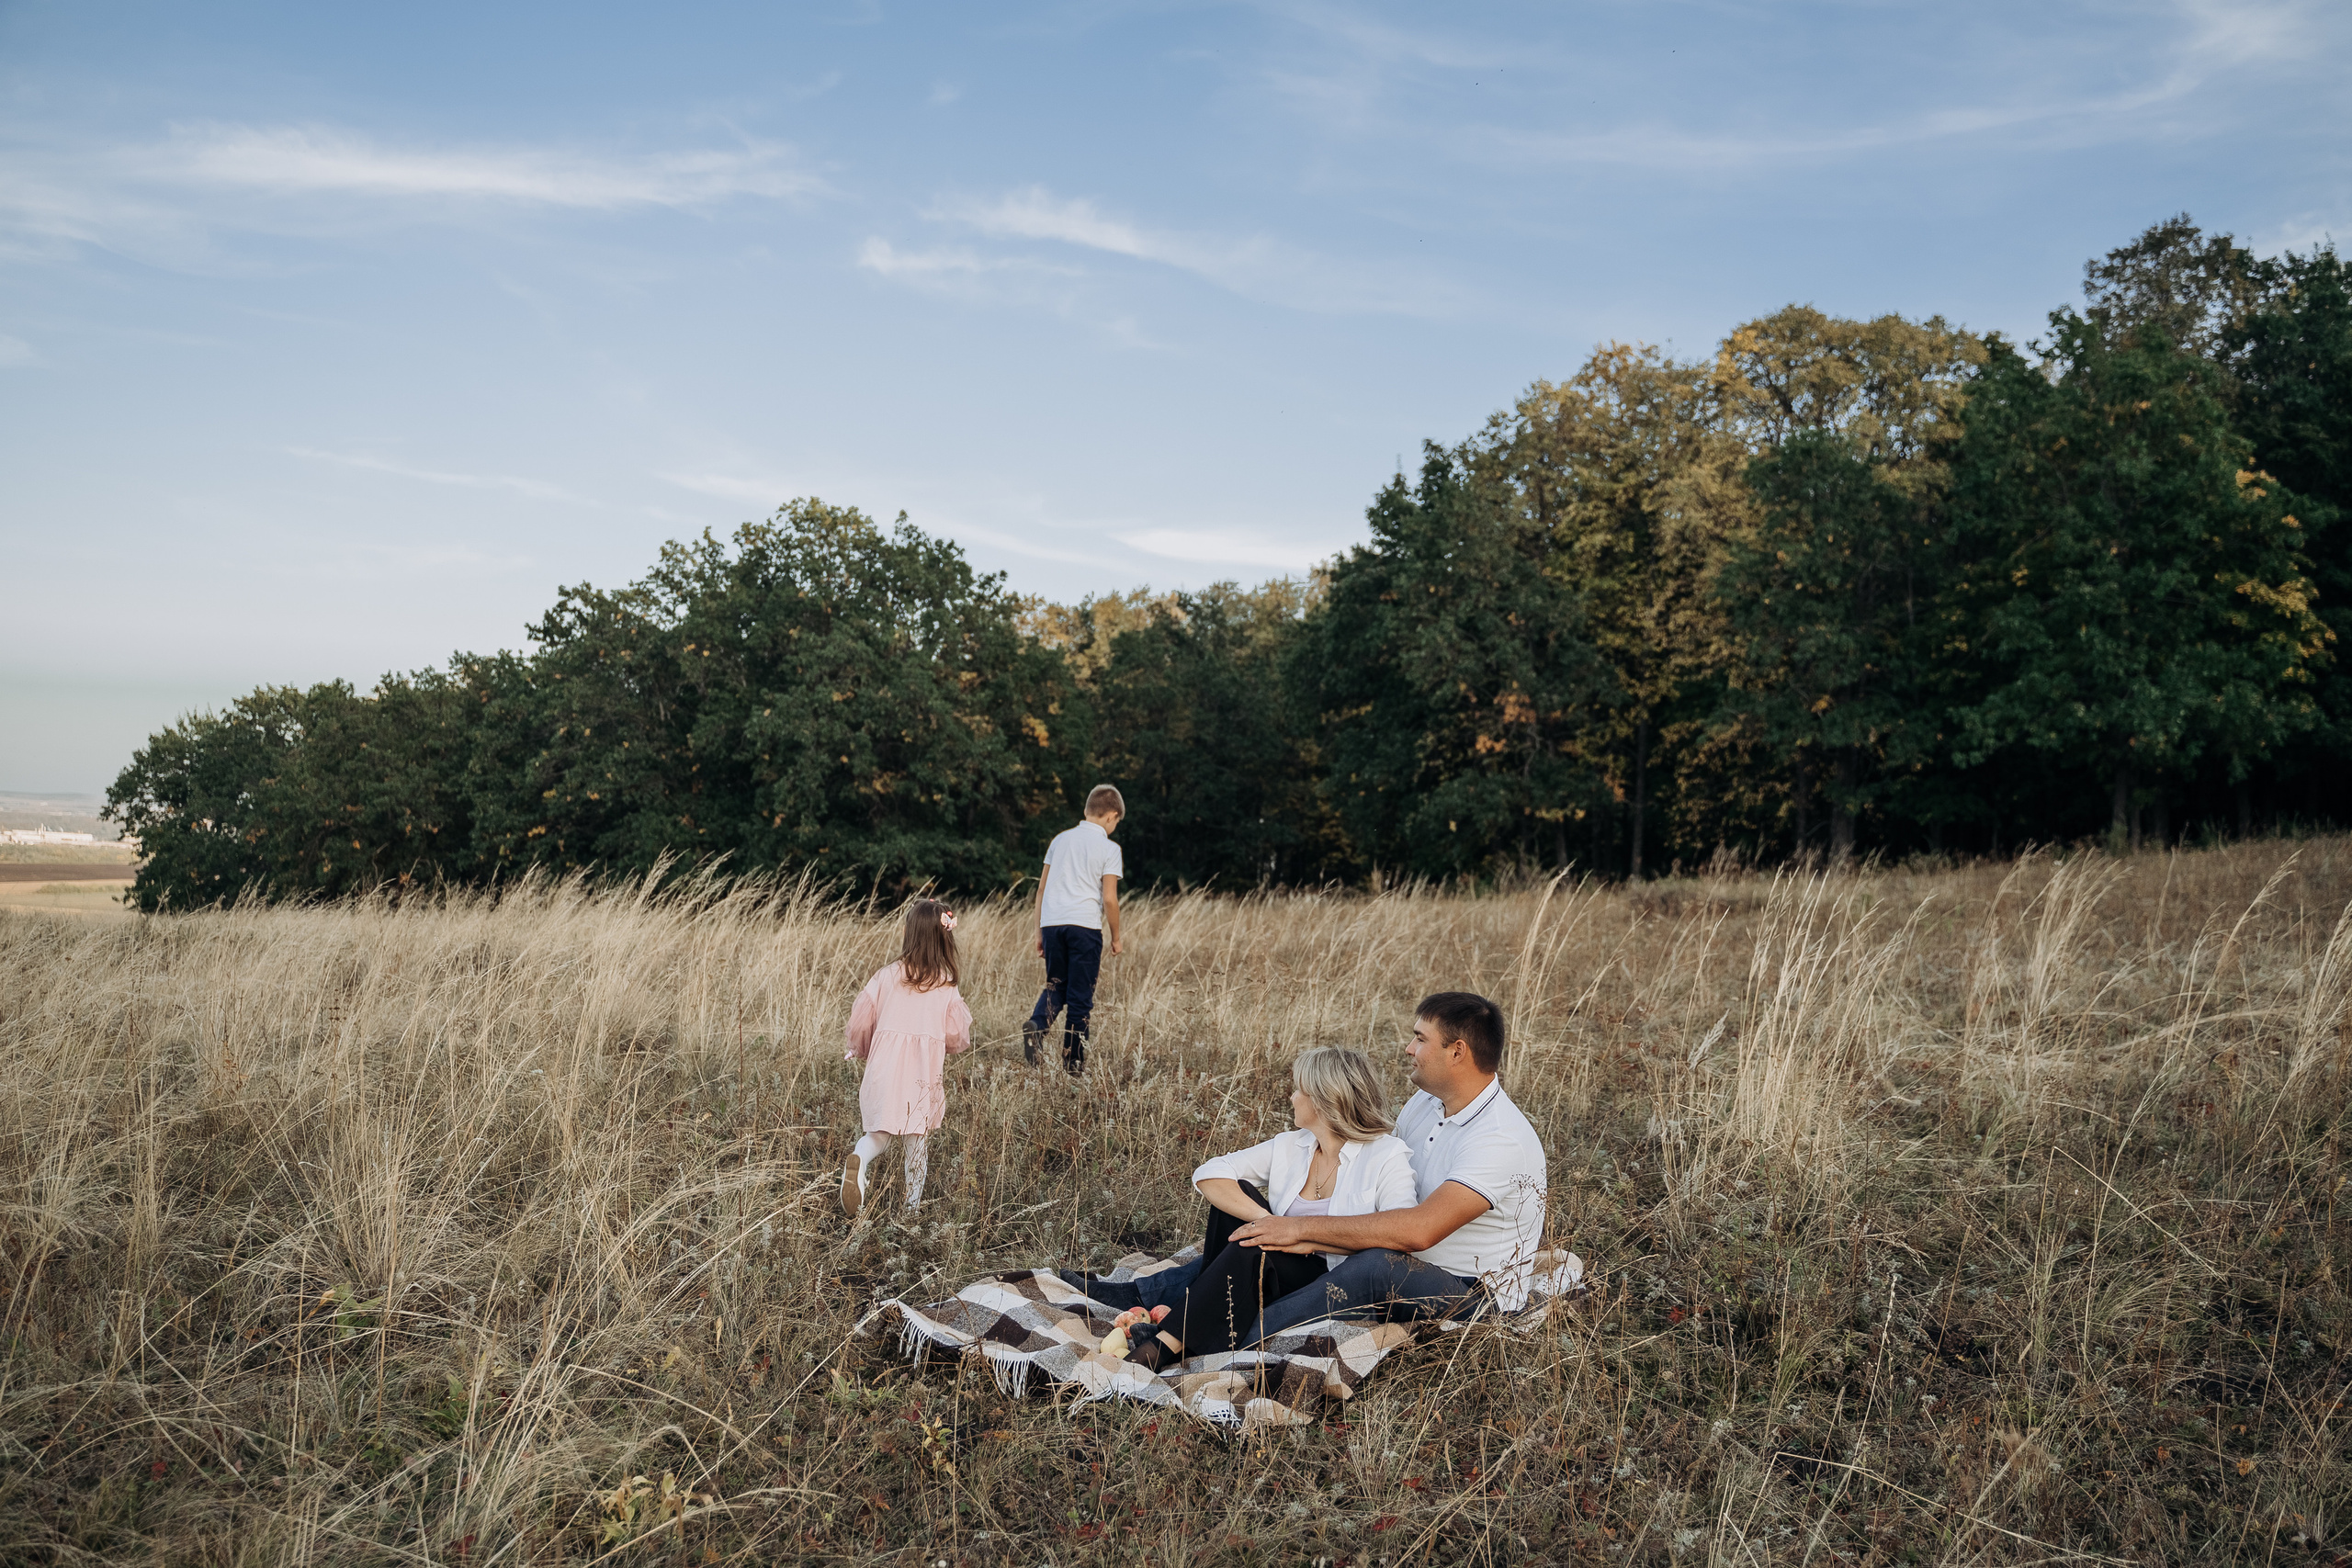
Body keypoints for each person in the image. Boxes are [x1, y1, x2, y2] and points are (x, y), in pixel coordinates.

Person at [1063, 1046, 1419, 1371]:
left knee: (1256, 1246)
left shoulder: (1386, 1156)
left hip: (1332, 1278)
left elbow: (1395, 1239)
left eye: (1298, 1089)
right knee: (1240, 1202)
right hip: (1276, 1264)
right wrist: (1271, 1222)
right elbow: (1210, 1173)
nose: (1291, 1096)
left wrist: (1308, 1238)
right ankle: (1196, 1319)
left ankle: (1163, 1345)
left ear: (1325, 1100)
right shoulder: (1293, 1145)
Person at [1224, 992, 1547, 1343]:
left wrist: (1301, 1227)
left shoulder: (1500, 1138)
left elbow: (1418, 1233)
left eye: (1420, 1039)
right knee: (1257, 1233)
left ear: (1456, 1051)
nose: (1409, 1048)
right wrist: (1303, 1225)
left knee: (1374, 1266)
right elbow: (1380, 1168)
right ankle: (1169, 1304)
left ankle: (1231, 1339)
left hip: (1472, 1295)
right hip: (1399, 1258)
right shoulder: (1426, 1102)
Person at [842, 898, 973, 1217]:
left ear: (908, 933)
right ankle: (911, 1210)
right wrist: (947, 1044)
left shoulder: (886, 975)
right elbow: (956, 1033)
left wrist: (861, 1048)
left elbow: (861, 1021)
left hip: (884, 1068)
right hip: (921, 1076)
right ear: (946, 938)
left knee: (879, 1135)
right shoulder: (945, 984)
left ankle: (860, 1157)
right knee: (917, 1143)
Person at [1023, 783, 1125, 1076]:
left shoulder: (1060, 840)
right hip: (1085, 928)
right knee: (1080, 999)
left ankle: (1037, 1026)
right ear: (1112, 816)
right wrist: (1117, 938)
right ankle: (1074, 1068)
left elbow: (1041, 889)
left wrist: (1039, 932)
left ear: (1087, 810)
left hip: (1053, 924)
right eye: (1116, 822)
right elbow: (1109, 898)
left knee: (1057, 984)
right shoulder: (1109, 848)